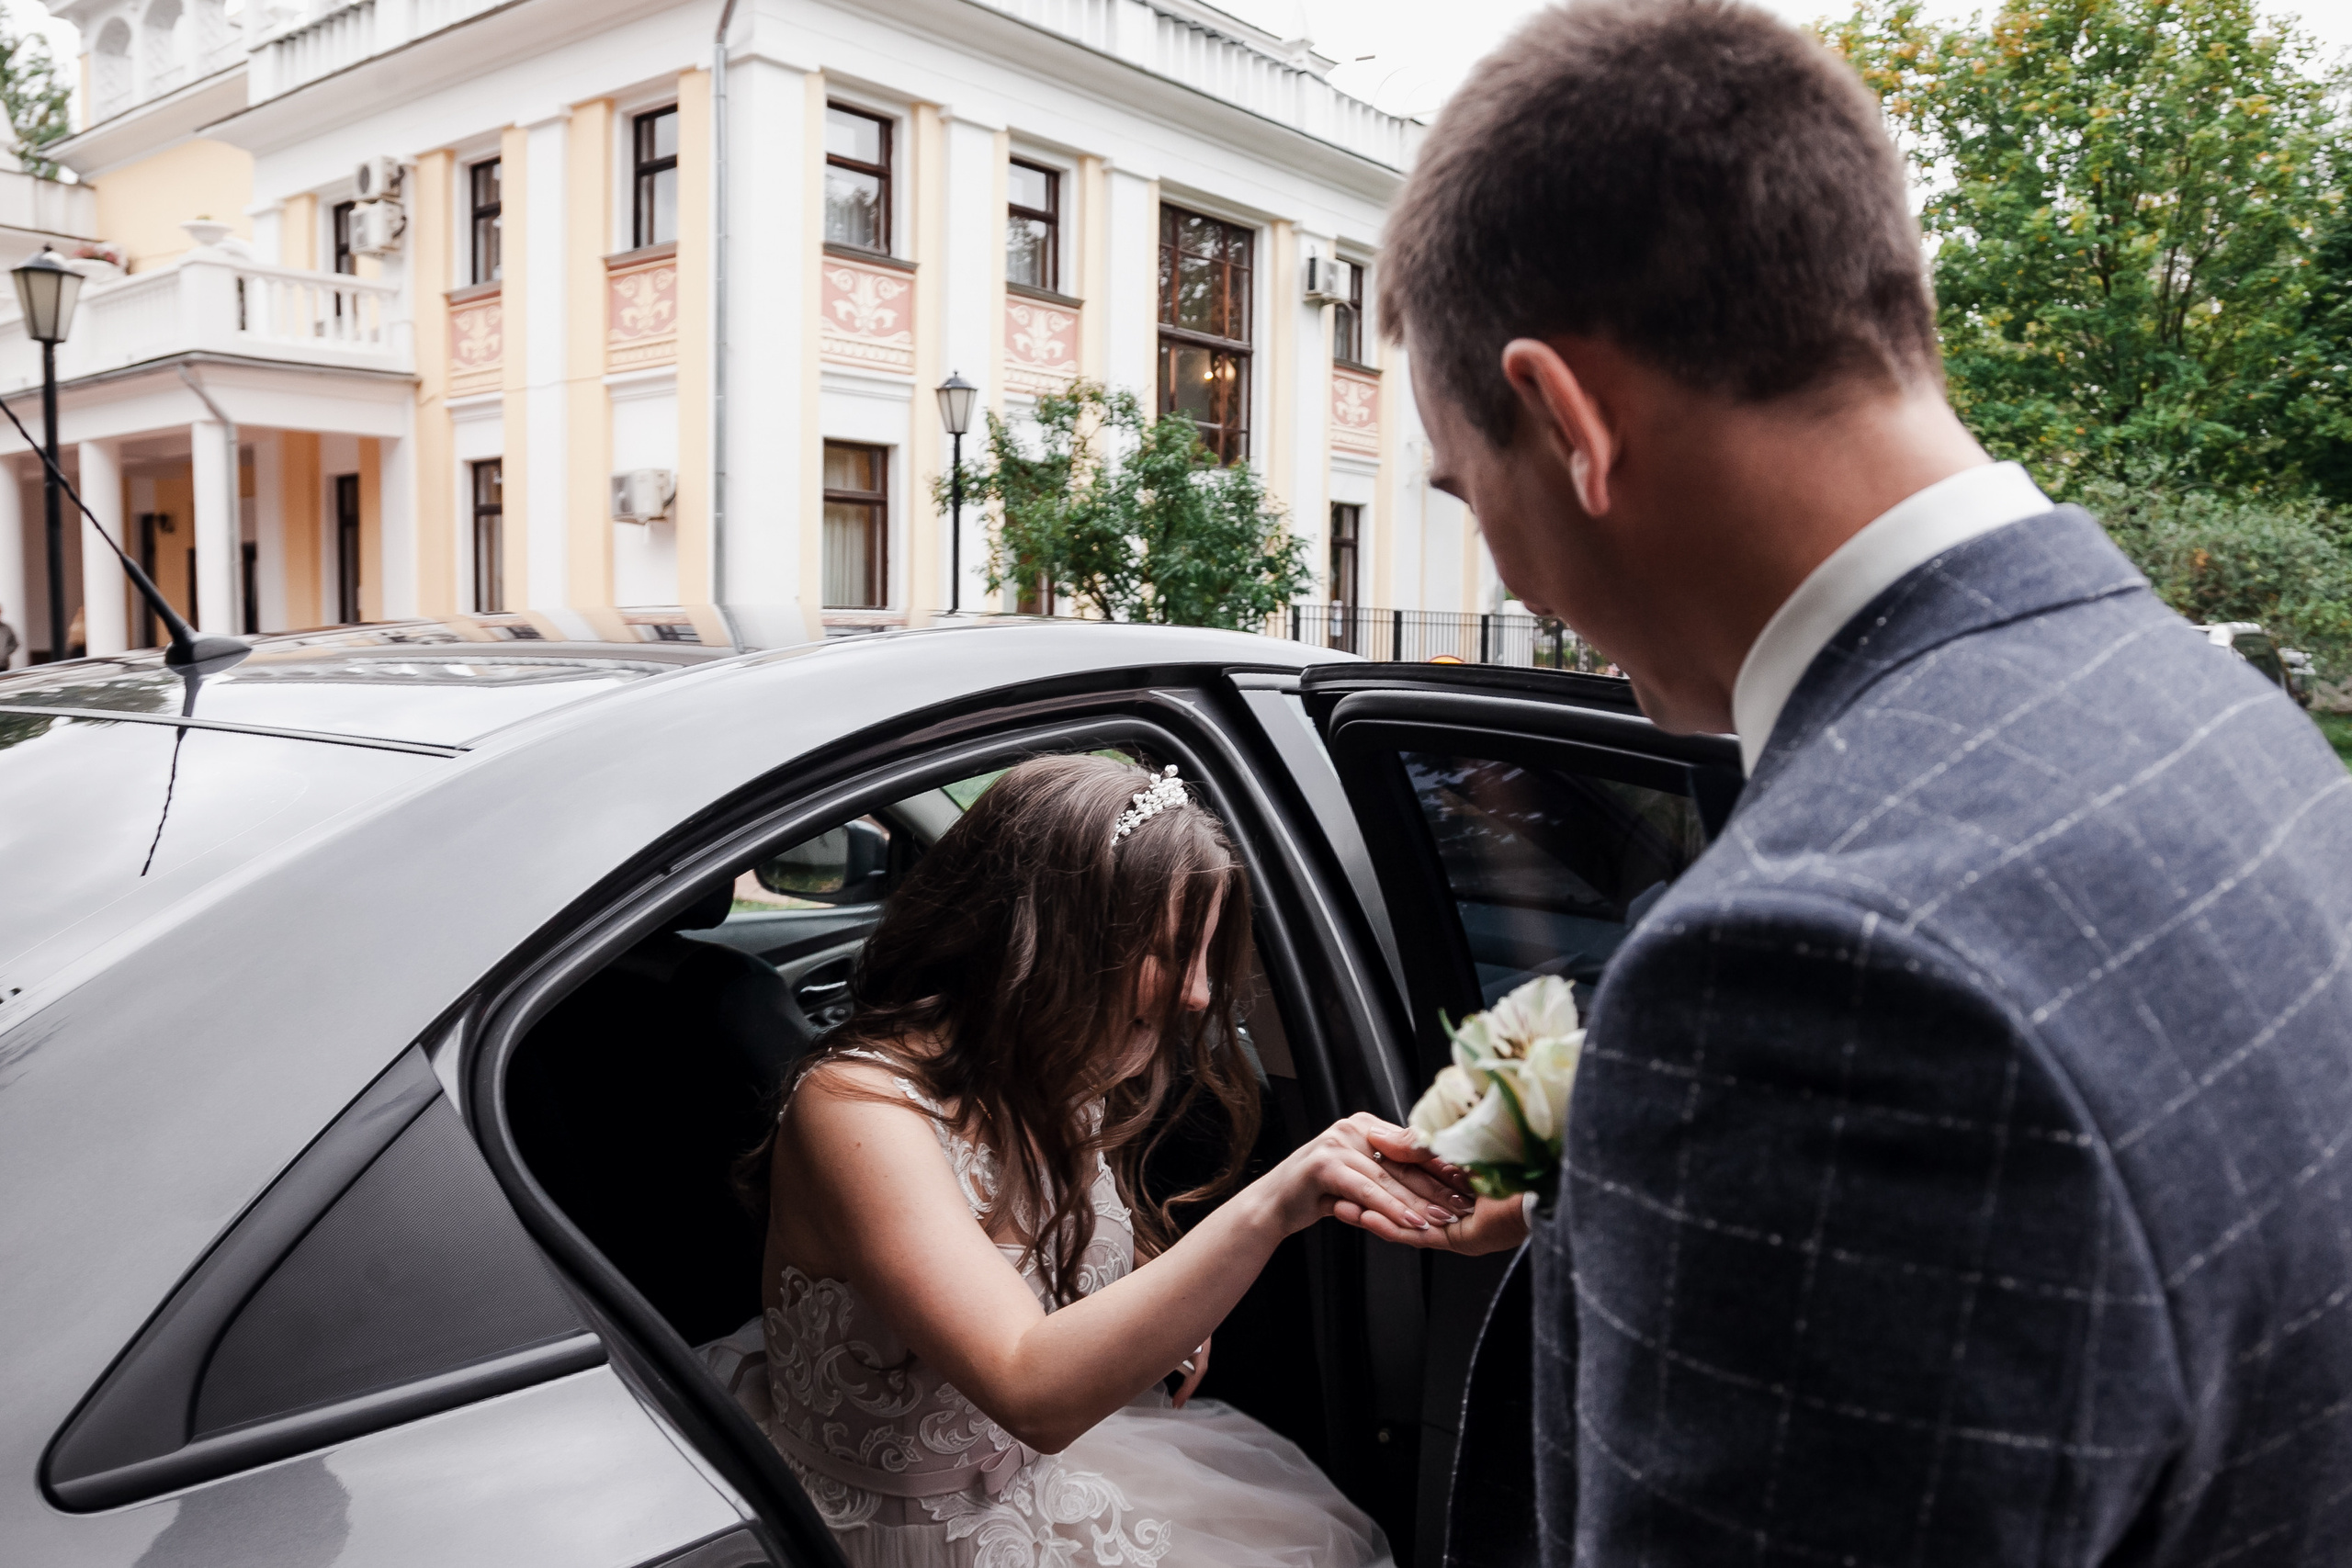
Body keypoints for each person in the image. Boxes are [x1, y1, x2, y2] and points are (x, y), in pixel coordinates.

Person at [1363, 2, 2352, 1564]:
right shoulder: (2225, 722)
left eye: (1462, 485)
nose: (1500, 565)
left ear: (1566, 420)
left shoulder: (1813, 977)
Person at [718, 754, 1472, 1567]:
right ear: (1048, 938)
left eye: (1205, 953)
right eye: (1172, 950)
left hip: (1027, 1489)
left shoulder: (1053, 1065)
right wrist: (1272, 1206)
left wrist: (1163, 1296)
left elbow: (1042, 1222)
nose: (1197, 993)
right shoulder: (857, 1111)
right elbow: (1029, 1390)